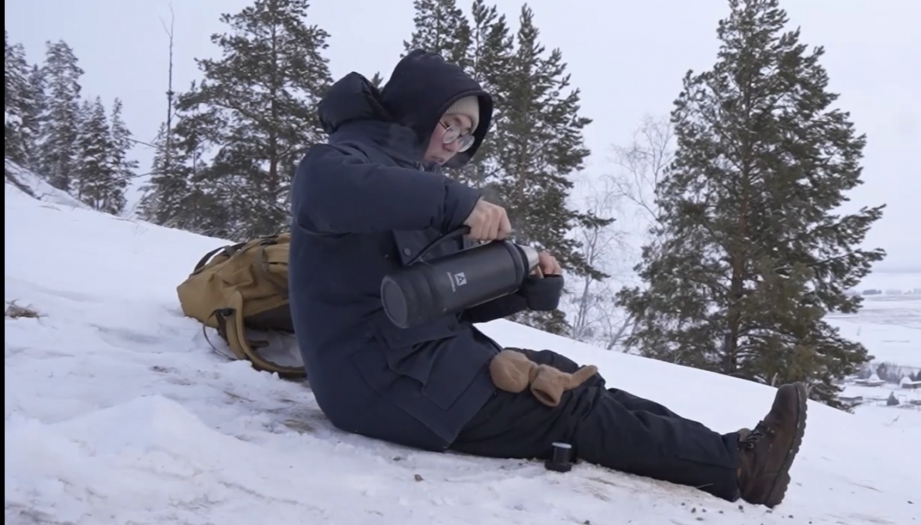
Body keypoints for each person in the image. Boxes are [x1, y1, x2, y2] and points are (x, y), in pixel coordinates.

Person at [288, 49, 808, 507]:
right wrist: (457, 203)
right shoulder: (337, 163)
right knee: (564, 405)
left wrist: (523, 290)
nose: (455, 143)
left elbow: (441, 300)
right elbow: (327, 191)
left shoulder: (417, 182)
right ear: (419, 108)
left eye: (466, 135)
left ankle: (732, 449)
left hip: (415, 364)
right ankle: (740, 468)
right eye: (451, 125)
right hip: (378, 384)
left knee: (568, 375)